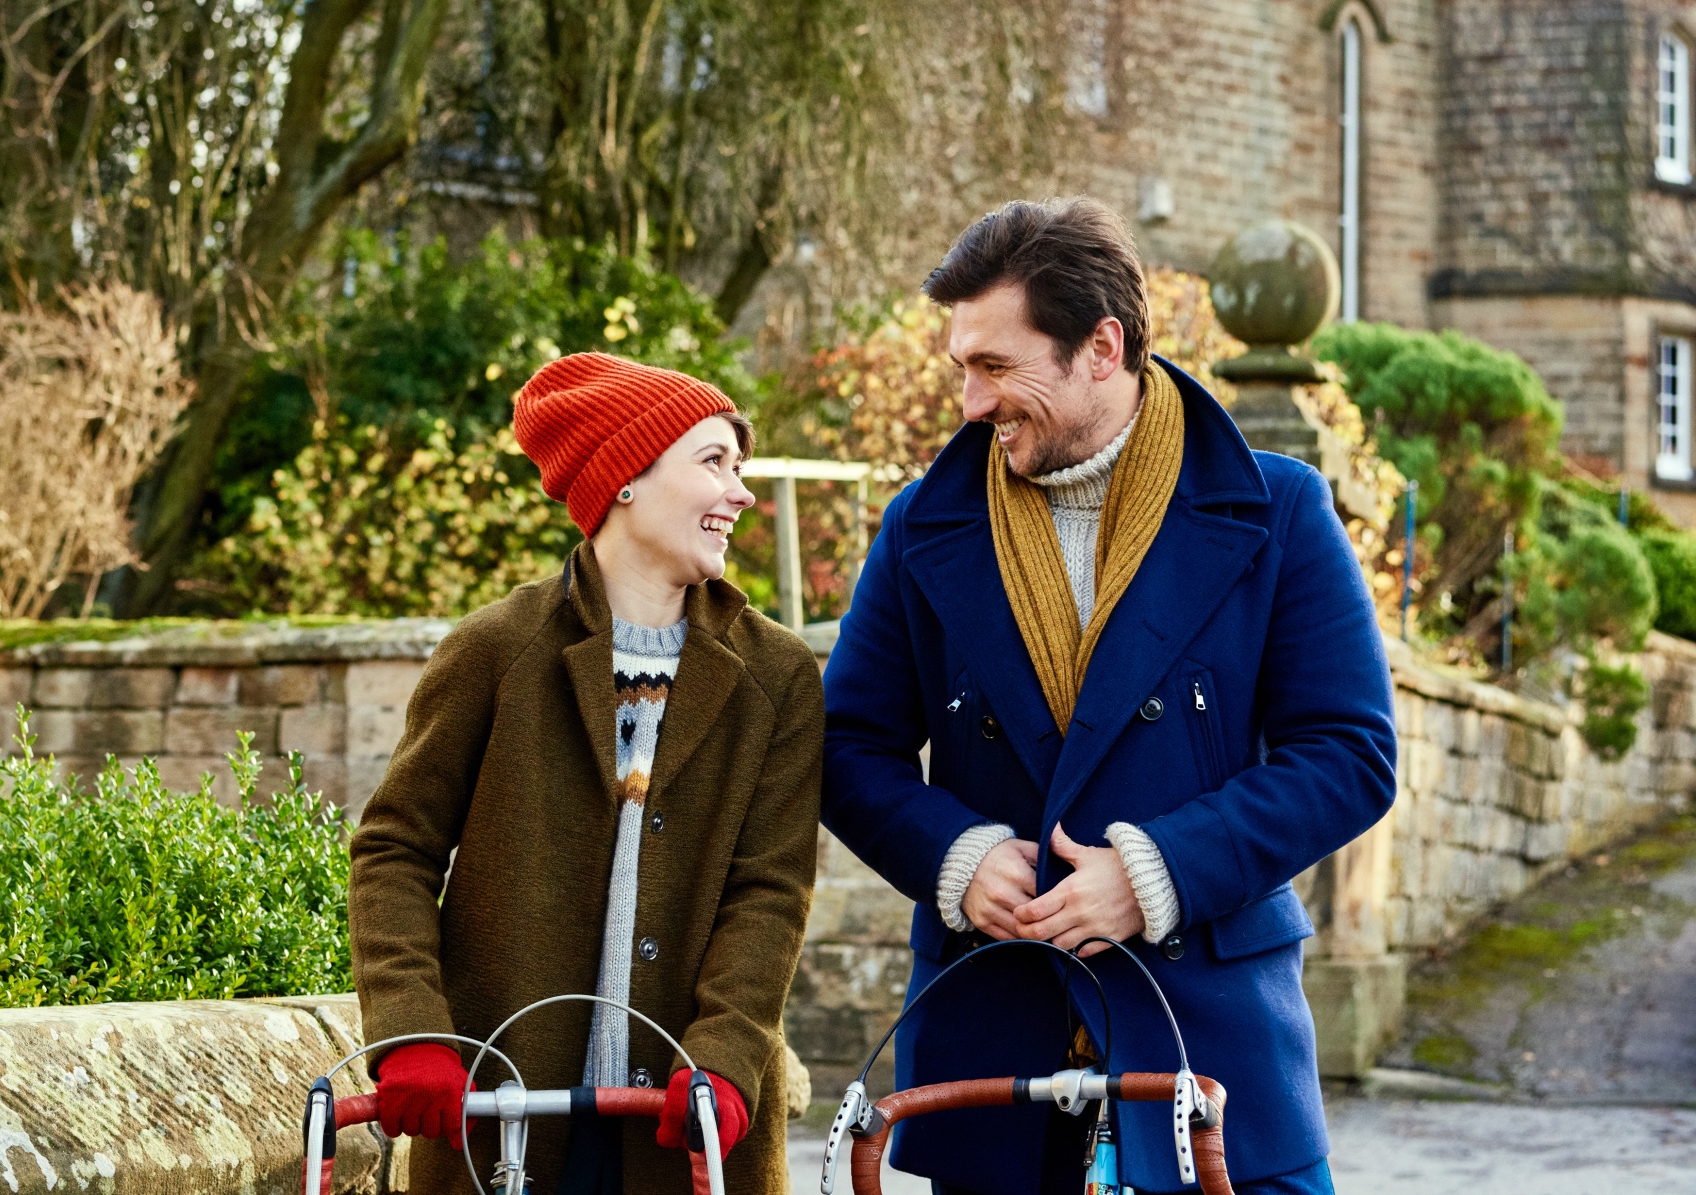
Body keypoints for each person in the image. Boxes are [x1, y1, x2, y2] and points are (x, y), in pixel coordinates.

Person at [822, 199, 1395, 1195]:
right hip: (992, 1047)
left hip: (1214, 1040)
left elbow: (1349, 755)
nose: (967, 401)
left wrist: (1158, 872)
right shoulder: (922, 528)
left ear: (1101, 347)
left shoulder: (1280, 510)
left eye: (996, 368)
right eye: (962, 365)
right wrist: (954, 857)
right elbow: (841, 748)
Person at [351, 350, 824, 1195]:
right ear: (625, 481)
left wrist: (724, 1051)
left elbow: (771, 892)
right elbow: (395, 849)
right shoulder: (494, 651)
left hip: (692, 1132)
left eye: (739, 466)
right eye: (713, 462)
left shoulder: (777, 677)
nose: (741, 493)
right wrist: (414, 1032)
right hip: (505, 1122)